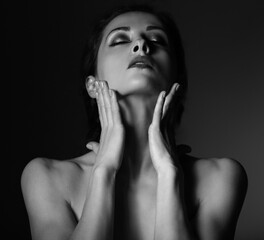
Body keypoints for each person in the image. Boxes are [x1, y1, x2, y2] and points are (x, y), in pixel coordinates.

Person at [21, 5, 248, 240]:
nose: (142, 45)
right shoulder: (46, 178)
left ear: (176, 79)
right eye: (120, 40)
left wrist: (169, 175)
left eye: (157, 40)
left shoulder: (220, 178)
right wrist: (104, 171)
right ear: (92, 84)